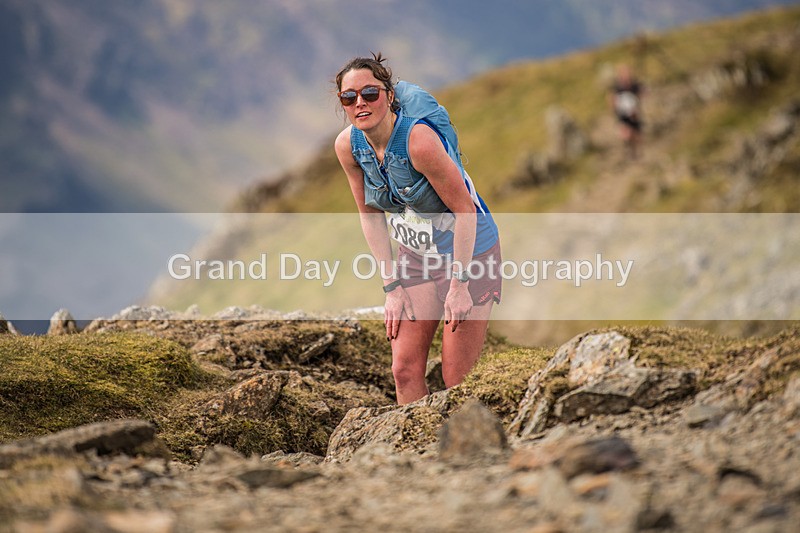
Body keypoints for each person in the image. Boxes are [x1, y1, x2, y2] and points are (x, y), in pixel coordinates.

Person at [333, 53, 501, 405]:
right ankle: (415, 455)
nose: (359, 103)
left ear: (389, 96)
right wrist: (391, 287)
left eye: (369, 93)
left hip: (471, 250)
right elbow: (369, 215)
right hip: (417, 255)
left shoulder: (418, 142)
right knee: (404, 369)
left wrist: (460, 285)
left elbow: (465, 211)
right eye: (349, 97)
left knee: (456, 378)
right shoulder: (348, 147)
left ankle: (471, 449)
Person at [608, 63, 644, 159]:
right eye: (624, 74)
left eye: (627, 74)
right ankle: (629, 153)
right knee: (626, 134)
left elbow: (643, 93)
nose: (626, 76)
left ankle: (637, 154)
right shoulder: (617, 89)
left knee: (637, 136)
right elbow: (612, 100)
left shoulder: (635, 85)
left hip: (635, 115)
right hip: (623, 116)